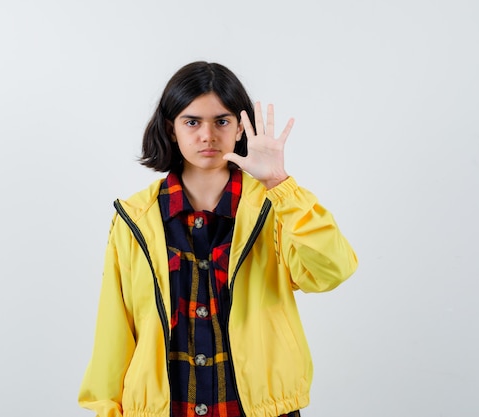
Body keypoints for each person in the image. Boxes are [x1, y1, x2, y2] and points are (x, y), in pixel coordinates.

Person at [78, 61, 358, 417]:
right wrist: (107, 407)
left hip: (258, 409)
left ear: (241, 128)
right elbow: (114, 326)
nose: (207, 135)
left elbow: (331, 271)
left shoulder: (275, 206)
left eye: (221, 121)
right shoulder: (135, 218)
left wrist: (280, 184)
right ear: (171, 128)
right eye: (192, 121)